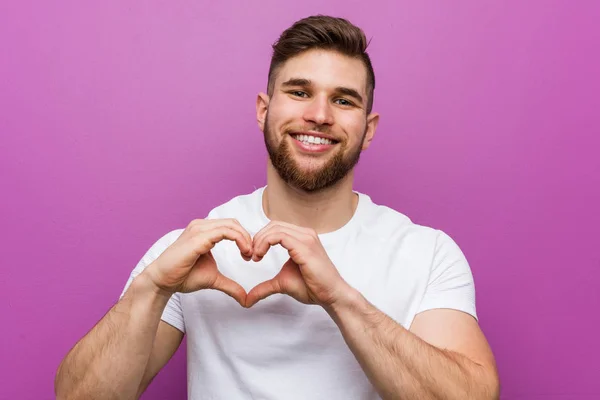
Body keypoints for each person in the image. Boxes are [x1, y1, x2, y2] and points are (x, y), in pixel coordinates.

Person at [55, 15, 500, 400]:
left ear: (368, 129)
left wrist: (339, 297)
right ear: (263, 110)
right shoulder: (192, 249)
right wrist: (151, 288)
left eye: (344, 100)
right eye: (300, 92)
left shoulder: (428, 254)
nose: (320, 115)